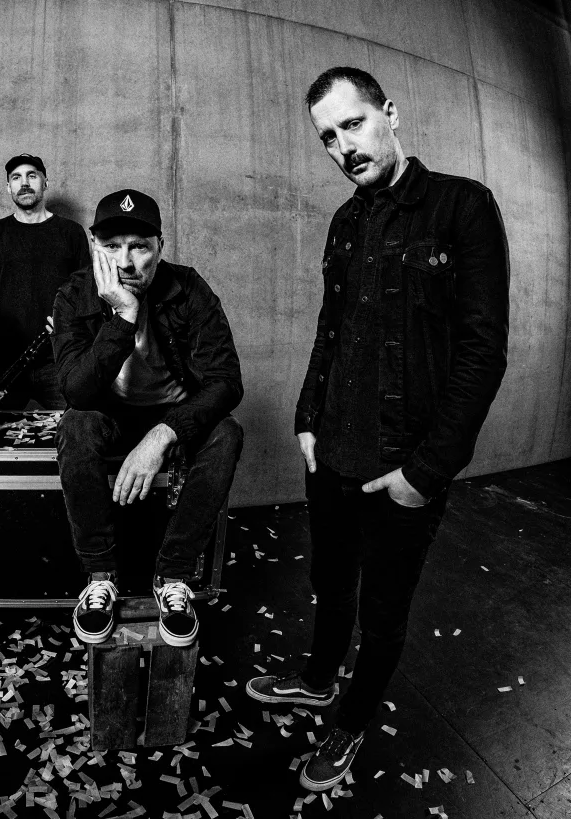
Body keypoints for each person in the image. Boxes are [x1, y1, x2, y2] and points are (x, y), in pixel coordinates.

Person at [246, 67, 509, 792]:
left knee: (384, 611)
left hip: (403, 467)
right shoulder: (346, 220)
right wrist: (307, 419)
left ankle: (352, 719)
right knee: (330, 584)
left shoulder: (463, 206)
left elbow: (483, 352)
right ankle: (319, 679)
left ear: (389, 112)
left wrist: (426, 473)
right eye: (328, 137)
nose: (343, 147)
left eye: (353, 124)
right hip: (331, 452)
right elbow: (331, 328)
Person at [52, 189, 244, 648]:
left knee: (227, 433)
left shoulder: (189, 288)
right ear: (95, 248)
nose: (126, 261)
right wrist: (123, 316)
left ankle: (172, 578)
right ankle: (100, 578)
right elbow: (77, 392)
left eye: (139, 246)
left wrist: (163, 434)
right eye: (112, 246)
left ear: (160, 246)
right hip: (108, 413)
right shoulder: (74, 294)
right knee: (75, 427)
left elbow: (226, 382)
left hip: (174, 414)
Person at [0, 153, 91, 409]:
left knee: (72, 438)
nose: (24, 183)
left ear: (45, 182)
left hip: (59, 360)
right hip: (4, 365)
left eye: (32, 176)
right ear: (8, 187)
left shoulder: (71, 233)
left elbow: (86, 297)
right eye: (16, 177)